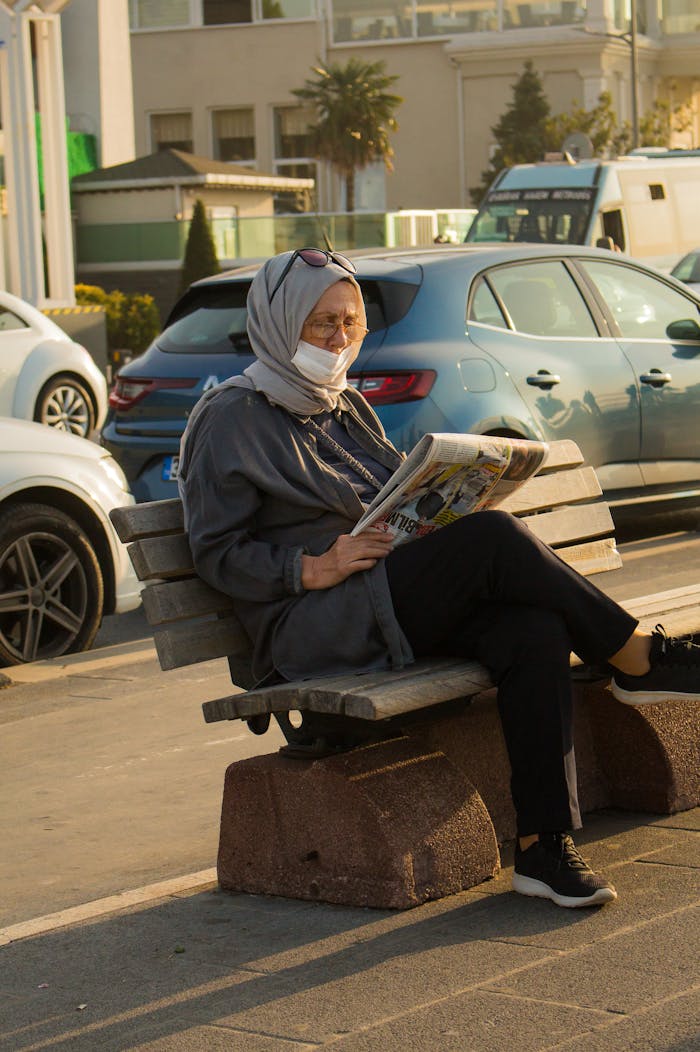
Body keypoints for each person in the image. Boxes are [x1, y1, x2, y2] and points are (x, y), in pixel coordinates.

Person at [178, 247, 700, 910]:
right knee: (491, 541)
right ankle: (637, 660)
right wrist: (313, 566)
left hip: (385, 598)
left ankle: (543, 848)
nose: (340, 339)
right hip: (317, 623)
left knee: (532, 629)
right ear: (279, 326)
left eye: (351, 323)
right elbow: (216, 553)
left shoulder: (344, 406)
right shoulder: (231, 417)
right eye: (321, 325)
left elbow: (394, 489)